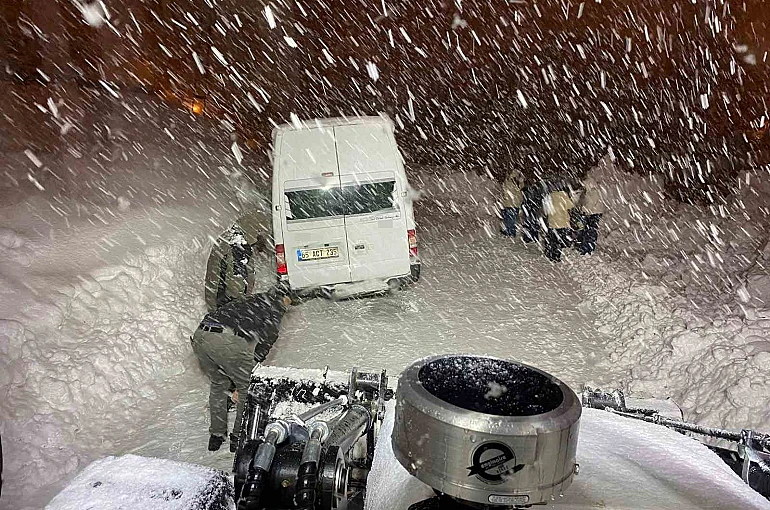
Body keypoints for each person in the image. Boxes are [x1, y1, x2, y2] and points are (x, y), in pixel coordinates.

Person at [192, 288, 291, 452]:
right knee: (248, 389)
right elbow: (268, 339)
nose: (288, 306)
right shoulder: (275, 307)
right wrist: (251, 370)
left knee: (219, 384)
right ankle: (238, 438)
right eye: (288, 301)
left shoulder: (253, 300)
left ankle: (216, 436)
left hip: (201, 335)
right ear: (283, 298)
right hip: (224, 338)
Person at [543, 182, 575, 262]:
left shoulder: (548, 196)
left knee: (552, 240)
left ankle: (550, 254)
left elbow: (546, 211)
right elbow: (570, 206)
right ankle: (557, 256)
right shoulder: (564, 195)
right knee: (559, 240)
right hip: (562, 222)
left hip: (552, 223)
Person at [575, 176, 604, 255]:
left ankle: (587, 249)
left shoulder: (592, 192)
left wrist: (583, 211)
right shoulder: (593, 191)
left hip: (592, 214)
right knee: (590, 231)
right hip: (594, 213)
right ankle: (588, 248)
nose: (584, 187)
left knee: (589, 231)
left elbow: (589, 204)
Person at [501, 169, 524, 237]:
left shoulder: (507, 182)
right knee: (512, 219)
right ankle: (511, 232)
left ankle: (508, 232)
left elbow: (504, 191)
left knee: (508, 219)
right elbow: (519, 192)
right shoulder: (517, 184)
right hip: (514, 204)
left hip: (508, 203)